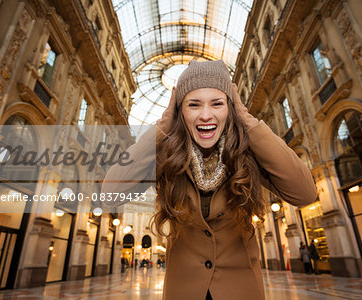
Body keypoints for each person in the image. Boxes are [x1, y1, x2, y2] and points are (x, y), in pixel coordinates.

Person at [102, 60, 317, 300]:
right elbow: (111, 193)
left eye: (217, 103)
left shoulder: (248, 150)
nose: (206, 115)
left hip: (242, 291)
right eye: (193, 105)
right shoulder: (167, 154)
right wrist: (162, 129)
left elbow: (305, 193)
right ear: (180, 112)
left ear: (230, 107)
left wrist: (248, 122)